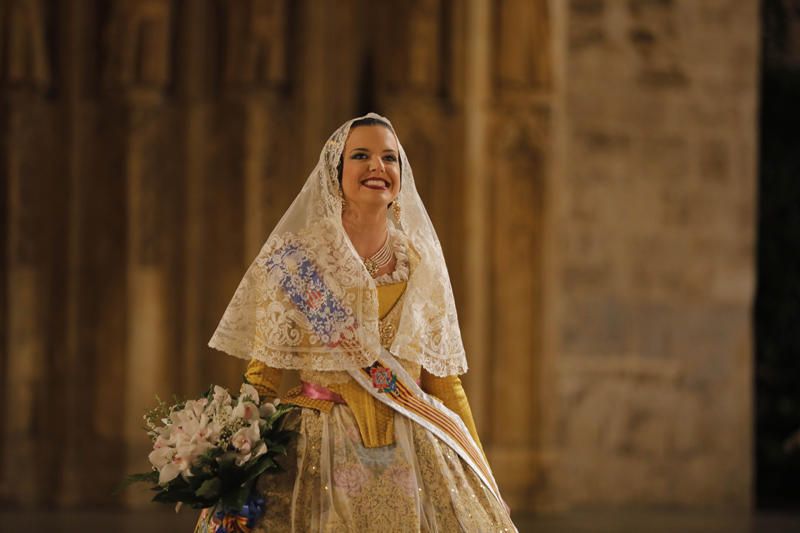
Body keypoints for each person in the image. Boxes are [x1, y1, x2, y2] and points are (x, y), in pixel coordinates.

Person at [195, 113, 517, 532]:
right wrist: (230, 475)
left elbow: (444, 383)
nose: (377, 167)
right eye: (360, 155)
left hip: (413, 442)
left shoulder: (421, 263)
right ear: (336, 172)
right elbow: (263, 376)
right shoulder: (296, 261)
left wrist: (481, 474)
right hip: (316, 447)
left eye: (390, 157)